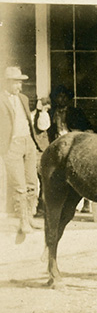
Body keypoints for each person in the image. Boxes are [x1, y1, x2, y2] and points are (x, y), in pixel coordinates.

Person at [1, 66, 42, 238]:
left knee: (32, 183)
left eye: (21, 82)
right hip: (12, 145)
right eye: (17, 83)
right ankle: (23, 220)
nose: (20, 86)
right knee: (19, 186)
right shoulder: (1, 100)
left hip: (28, 143)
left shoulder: (23, 98)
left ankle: (31, 216)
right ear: (7, 82)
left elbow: (28, 120)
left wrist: (33, 142)